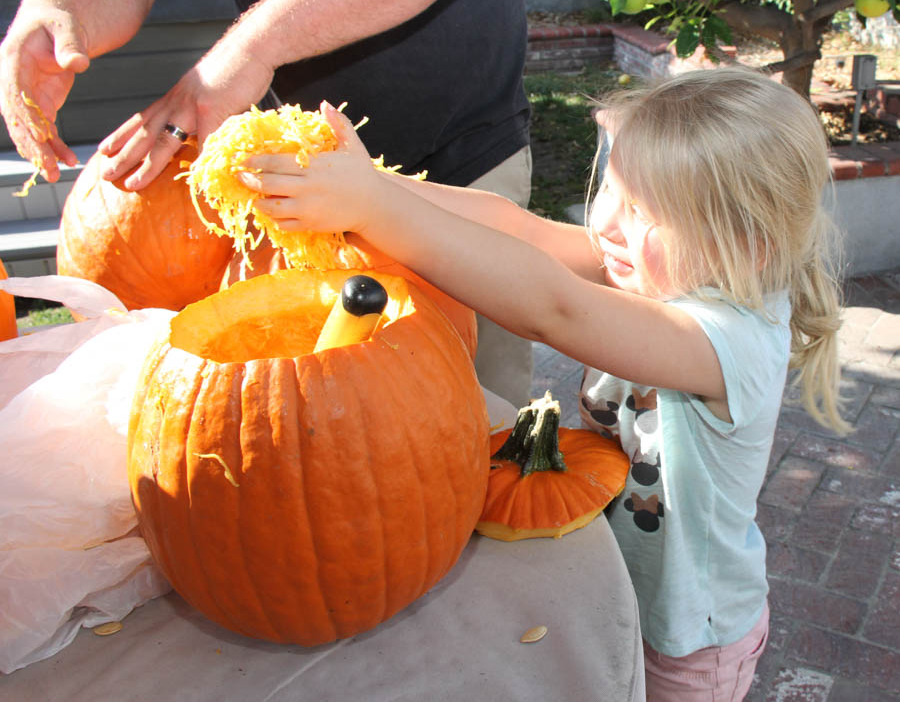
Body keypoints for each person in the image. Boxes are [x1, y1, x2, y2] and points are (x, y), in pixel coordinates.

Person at [235, 67, 847, 701]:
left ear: (748, 247)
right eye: (611, 186)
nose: (606, 221)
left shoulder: (729, 342)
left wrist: (373, 208)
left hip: (690, 643)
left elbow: (554, 308)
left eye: (641, 209)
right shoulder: (664, 263)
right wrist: (371, 185)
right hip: (624, 596)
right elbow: (518, 230)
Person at [0, 0, 534, 405]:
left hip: (463, 163)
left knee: (479, 432)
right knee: (320, 430)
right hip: (301, 191)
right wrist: (58, 6)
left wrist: (249, 49)